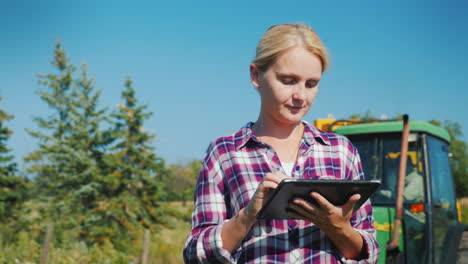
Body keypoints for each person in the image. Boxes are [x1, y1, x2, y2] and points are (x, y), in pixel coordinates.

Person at [183, 23, 379, 263]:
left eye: (311, 84)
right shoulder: (224, 154)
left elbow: (369, 252)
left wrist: (338, 227)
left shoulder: (342, 152)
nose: (301, 96)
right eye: (288, 80)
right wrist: (248, 215)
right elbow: (196, 254)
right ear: (256, 75)